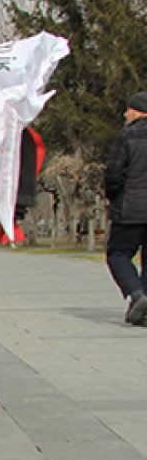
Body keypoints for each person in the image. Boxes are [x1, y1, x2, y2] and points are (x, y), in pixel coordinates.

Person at [103, 92, 147, 326]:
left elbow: (114, 174)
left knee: (118, 254)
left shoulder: (127, 136)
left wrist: (113, 197)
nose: (124, 114)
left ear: (138, 112)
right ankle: (142, 312)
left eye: (128, 110)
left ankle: (137, 295)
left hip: (131, 208)